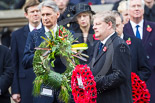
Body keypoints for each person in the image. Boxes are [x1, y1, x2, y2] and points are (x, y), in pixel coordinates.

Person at [22, 0, 74, 103]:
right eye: (43, 15)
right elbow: (25, 62)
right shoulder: (33, 35)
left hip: (64, 92)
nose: (45, 18)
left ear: (57, 14)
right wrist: (43, 53)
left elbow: (75, 61)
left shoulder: (68, 34)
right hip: (43, 93)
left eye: (48, 14)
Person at [89, 11, 133, 103]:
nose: (94, 27)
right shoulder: (98, 45)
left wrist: (93, 82)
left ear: (109, 25)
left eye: (98, 24)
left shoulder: (119, 45)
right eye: (94, 24)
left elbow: (119, 75)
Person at [123, 0, 155, 102]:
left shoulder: (153, 27)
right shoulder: (123, 30)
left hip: (152, 78)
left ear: (143, 9)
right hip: (130, 81)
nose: (136, 8)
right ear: (128, 10)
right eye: (133, 6)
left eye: (139, 6)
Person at [11, 0, 42, 103]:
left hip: (46, 84)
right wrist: (15, 90)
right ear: (26, 15)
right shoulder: (16, 35)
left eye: (38, 11)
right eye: (32, 12)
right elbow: (14, 64)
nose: (35, 14)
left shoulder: (50, 32)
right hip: (25, 86)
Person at [114, 11, 151, 81]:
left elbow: (145, 70)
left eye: (117, 25)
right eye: (112, 26)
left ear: (123, 24)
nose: (115, 29)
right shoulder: (102, 44)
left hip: (131, 89)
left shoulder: (136, 42)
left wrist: (134, 82)